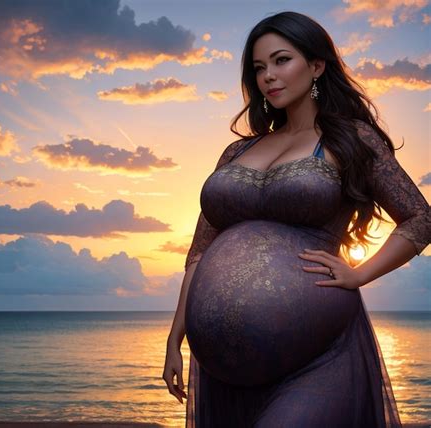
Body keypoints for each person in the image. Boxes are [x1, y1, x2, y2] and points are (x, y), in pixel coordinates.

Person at [162, 10, 430, 428]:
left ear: (317, 65)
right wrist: (176, 336)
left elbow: (419, 218)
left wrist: (360, 273)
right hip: (220, 373)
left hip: (319, 356)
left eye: (281, 60)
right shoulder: (236, 153)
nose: (268, 75)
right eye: (259, 67)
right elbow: (199, 252)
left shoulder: (349, 138)